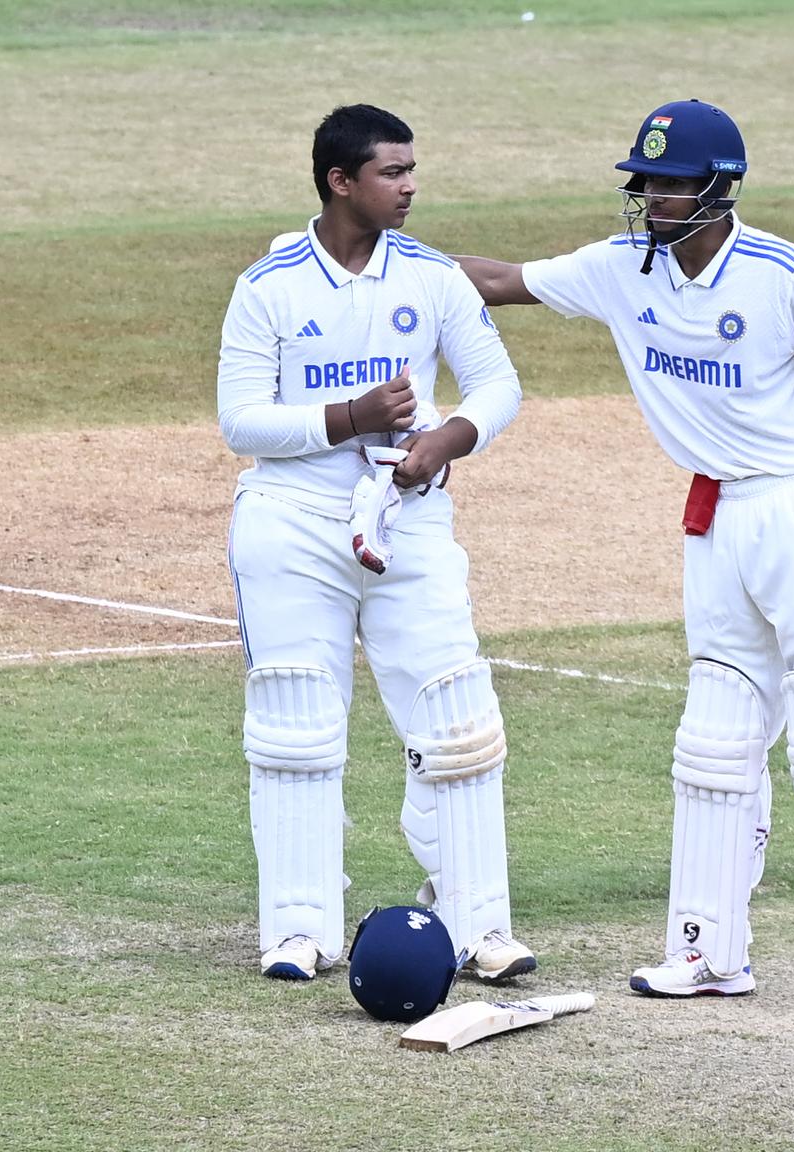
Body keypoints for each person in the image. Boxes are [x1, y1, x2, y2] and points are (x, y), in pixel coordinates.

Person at [454, 98, 794, 1022]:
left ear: (719, 190)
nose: (648, 196)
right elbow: (497, 280)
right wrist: (380, 257)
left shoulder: (784, 273)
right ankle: (707, 951)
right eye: (641, 181)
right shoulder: (621, 269)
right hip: (714, 519)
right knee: (715, 742)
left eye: (668, 183)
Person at [217, 103, 535, 984]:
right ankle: (298, 929)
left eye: (411, 170)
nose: (410, 186)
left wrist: (448, 440)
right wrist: (349, 418)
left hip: (410, 519)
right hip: (291, 523)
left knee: (457, 719)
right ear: (340, 181)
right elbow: (239, 418)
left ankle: (479, 926)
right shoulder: (269, 283)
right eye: (392, 173)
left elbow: (496, 383)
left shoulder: (431, 276)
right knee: (295, 725)